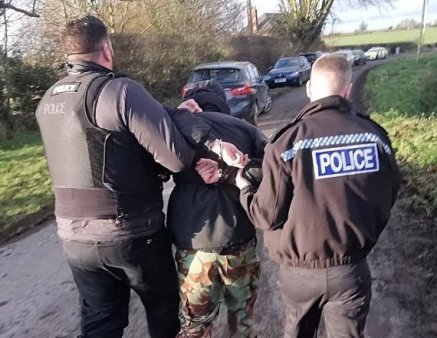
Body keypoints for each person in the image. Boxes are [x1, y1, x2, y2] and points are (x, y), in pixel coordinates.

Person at [35, 15, 243, 338]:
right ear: (106, 49)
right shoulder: (120, 91)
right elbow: (175, 159)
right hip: (133, 234)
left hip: (75, 240)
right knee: (163, 312)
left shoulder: (48, 100)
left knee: (101, 322)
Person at [233, 54, 401, 337]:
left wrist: (245, 189)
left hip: (299, 275)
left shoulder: (288, 143)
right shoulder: (376, 138)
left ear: (310, 89)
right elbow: (389, 193)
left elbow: (265, 215)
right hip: (351, 269)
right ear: (347, 90)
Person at [166, 80, 266, 338]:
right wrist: (233, 172)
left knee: (195, 325)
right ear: (223, 102)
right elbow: (274, 168)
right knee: (243, 319)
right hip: (239, 240)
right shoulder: (244, 128)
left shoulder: (174, 129)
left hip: (194, 246)